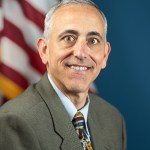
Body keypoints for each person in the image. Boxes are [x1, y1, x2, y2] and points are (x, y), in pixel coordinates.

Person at [0, 0, 126, 150]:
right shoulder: (16, 121)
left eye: (93, 40)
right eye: (69, 38)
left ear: (105, 55)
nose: (80, 53)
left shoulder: (113, 119)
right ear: (44, 50)